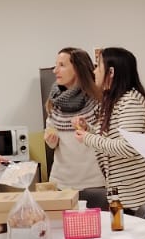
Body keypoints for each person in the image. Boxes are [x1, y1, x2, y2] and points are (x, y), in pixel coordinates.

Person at [73, 46, 145, 220]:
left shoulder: (131, 101)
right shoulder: (113, 101)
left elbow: (127, 148)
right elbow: (110, 139)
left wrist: (88, 138)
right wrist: (88, 129)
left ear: (111, 71)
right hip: (118, 197)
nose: (94, 71)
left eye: (98, 66)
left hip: (141, 199)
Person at [43, 46, 108, 209]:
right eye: (55, 65)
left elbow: (107, 139)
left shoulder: (99, 100)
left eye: (62, 65)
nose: (55, 70)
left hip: (95, 182)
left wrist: (88, 129)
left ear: (78, 69)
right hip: (61, 182)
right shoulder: (54, 101)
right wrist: (51, 140)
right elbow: (52, 139)